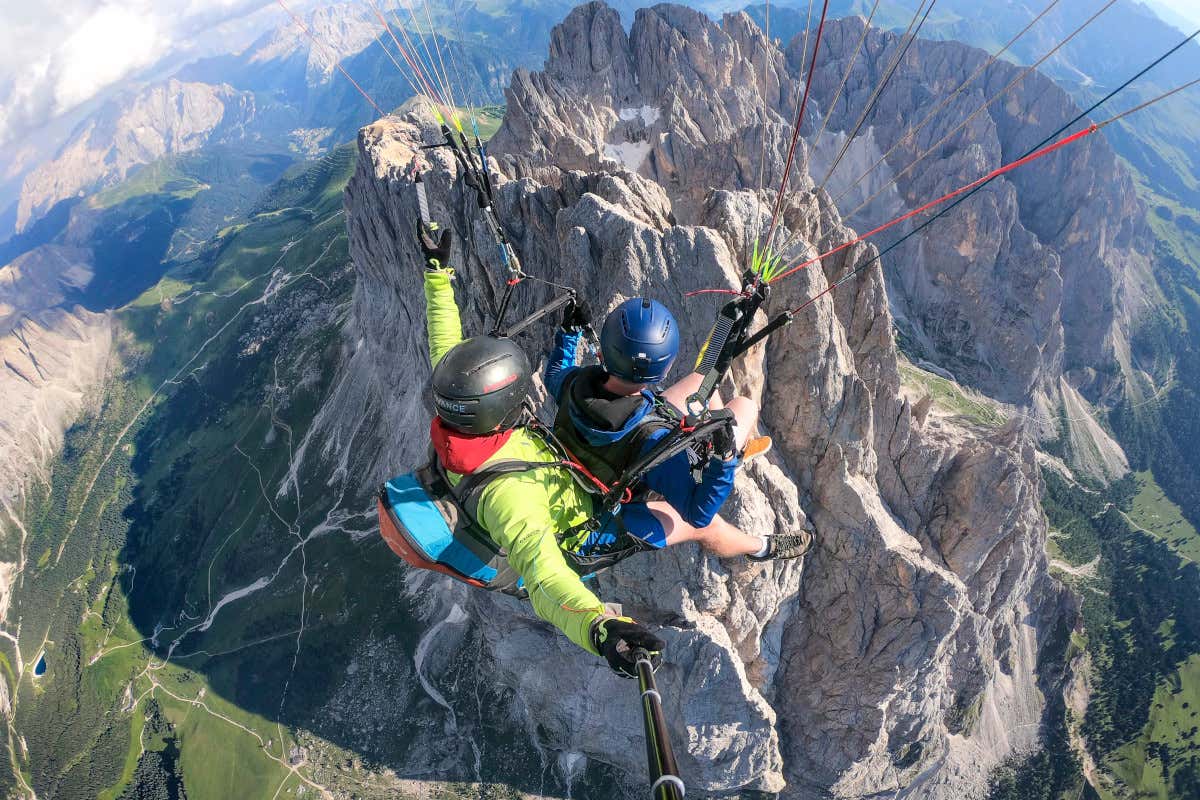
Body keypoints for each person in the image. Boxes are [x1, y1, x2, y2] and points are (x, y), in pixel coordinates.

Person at [417, 225, 661, 678]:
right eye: (520, 397)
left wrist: (437, 271)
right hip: (584, 531)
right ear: (504, 409)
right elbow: (544, 579)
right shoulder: (508, 497)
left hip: (564, 477)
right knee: (686, 521)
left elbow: (444, 345)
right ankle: (748, 543)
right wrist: (601, 629)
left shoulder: (459, 410)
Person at [546, 297, 813, 561]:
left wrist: (569, 333)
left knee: (702, 380)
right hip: (598, 523)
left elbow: (556, 370)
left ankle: (721, 446)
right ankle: (761, 547)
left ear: (605, 351)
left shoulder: (572, 384)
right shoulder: (651, 443)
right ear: (661, 372)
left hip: (578, 480)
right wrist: (725, 459)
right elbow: (698, 513)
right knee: (708, 525)